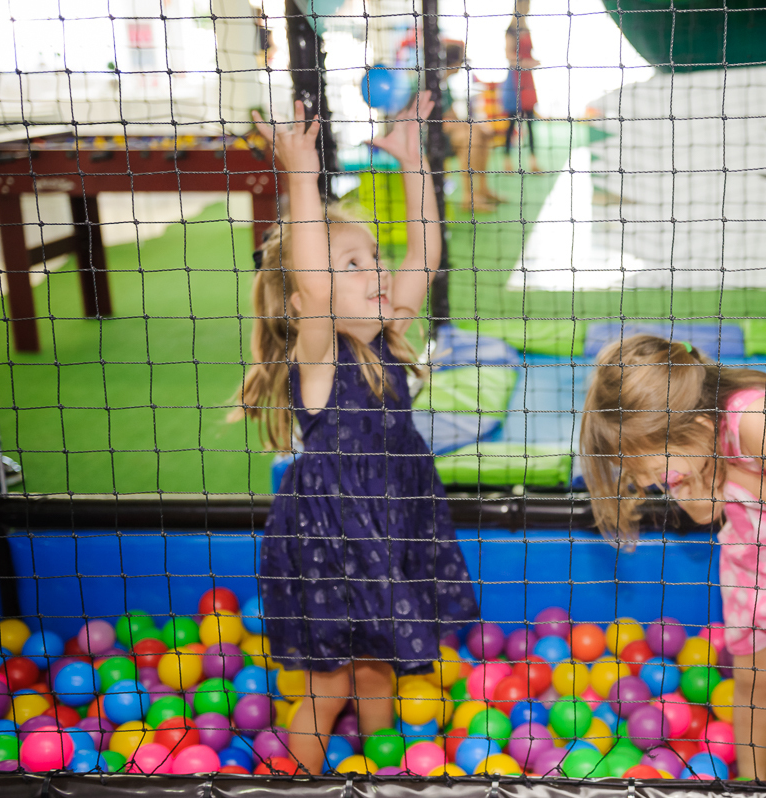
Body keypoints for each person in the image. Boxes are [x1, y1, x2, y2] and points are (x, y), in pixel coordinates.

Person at [235, 94, 479, 774]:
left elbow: (427, 251)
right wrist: (301, 177)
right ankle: (302, 782)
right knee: (330, 682)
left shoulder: (388, 339)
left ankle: (377, 772)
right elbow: (312, 282)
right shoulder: (315, 356)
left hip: (394, 519)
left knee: (379, 669)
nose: (375, 271)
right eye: (354, 266)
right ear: (302, 300)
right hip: (330, 539)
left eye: (374, 258)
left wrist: (411, 162)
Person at [579, 335, 766, 783]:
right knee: (752, 679)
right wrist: (694, 480)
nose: (648, 483)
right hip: (750, 555)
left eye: (651, 469)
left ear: (698, 425)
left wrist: (731, 471)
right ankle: (753, 783)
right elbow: (706, 510)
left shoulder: (753, 417)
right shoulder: (688, 439)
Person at [441, 40, 504, 210]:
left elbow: (452, 117)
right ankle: (468, 198)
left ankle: (483, 189)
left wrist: (475, 125)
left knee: (482, 132)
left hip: (447, 132)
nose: (461, 67)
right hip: (432, 138)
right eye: (460, 63)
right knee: (471, 137)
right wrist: (469, 128)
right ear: (453, 63)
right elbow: (443, 124)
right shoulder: (433, 81)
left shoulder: (444, 83)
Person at [504, 0, 540, 173]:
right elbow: (509, 56)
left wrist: (532, 62)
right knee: (512, 122)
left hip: (527, 79)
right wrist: (526, 62)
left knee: (531, 121)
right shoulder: (511, 30)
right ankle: (507, 162)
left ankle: (533, 162)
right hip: (515, 78)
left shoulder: (526, 28)